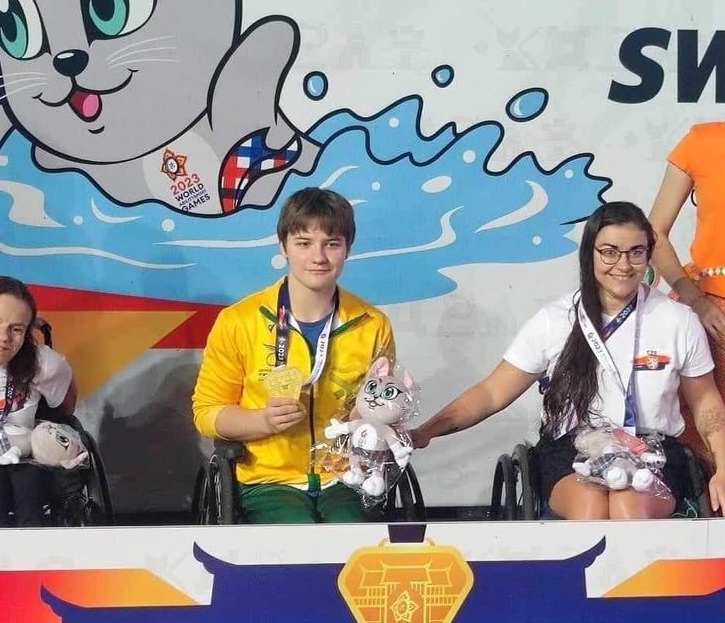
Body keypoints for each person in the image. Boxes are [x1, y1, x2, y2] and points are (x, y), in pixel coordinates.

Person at [411, 201, 725, 519]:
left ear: (649, 255)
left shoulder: (678, 320)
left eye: (636, 252)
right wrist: (427, 431)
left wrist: (723, 467)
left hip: (651, 449)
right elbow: (492, 393)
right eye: (610, 252)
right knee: (591, 509)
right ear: (589, 253)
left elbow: (706, 402)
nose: (623, 264)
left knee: (627, 507)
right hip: (573, 448)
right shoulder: (555, 319)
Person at [192, 187, 395, 523]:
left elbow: (384, 405)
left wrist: (372, 418)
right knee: (297, 536)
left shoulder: (372, 324)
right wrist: (262, 421)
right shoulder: (238, 322)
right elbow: (207, 413)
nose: (318, 257)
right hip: (268, 480)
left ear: (348, 249)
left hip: (346, 477)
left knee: (349, 537)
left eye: (332, 244)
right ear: (283, 246)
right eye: (304, 243)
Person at [0, 276, 77, 527]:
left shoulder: (42, 364)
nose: (3, 336)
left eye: (16, 329)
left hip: (21, 449)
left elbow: (63, 408)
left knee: (29, 482)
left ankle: (32, 547)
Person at [648, 124, 725, 459]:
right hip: (713, 312)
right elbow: (654, 234)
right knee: (706, 437)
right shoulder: (703, 141)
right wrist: (696, 301)